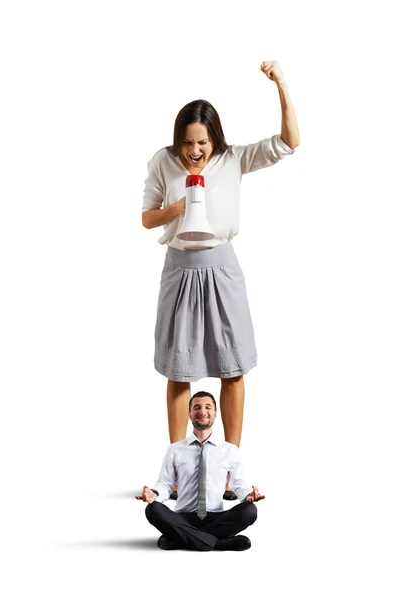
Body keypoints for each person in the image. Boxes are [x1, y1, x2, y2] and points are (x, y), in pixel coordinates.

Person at [142, 60, 300, 497]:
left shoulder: (234, 159)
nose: (195, 151)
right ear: (179, 141)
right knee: (179, 370)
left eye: (203, 142)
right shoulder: (162, 162)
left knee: (233, 368)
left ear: (215, 139)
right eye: (188, 142)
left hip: (223, 268)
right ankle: (177, 471)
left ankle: (230, 470)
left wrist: (281, 85)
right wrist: (173, 209)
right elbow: (145, 218)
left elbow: (290, 142)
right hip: (179, 269)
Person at [135, 391, 265, 551]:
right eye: (196, 407)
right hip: (183, 517)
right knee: (153, 509)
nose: (202, 412)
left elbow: (239, 484)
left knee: (249, 511)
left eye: (207, 407)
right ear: (189, 414)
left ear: (215, 413)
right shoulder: (175, 449)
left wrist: (248, 495)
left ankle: (179, 539)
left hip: (215, 516)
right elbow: (166, 485)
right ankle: (219, 543)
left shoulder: (230, 450)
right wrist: (154, 494)